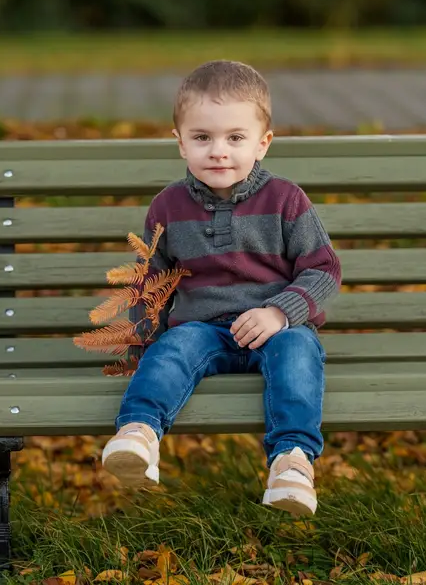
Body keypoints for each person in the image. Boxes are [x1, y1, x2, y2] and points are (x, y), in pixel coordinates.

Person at [100, 59, 342, 516]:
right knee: (171, 350)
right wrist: (144, 345)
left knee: (298, 354)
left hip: (277, 329)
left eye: (235, 138)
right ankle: (139, 434)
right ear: (180, 143)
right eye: (202, 138)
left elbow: (323, 269)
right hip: (204, 330)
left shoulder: (286, 200)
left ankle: (292, 462)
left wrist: (280, 312)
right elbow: (152, 283)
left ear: (262, 143)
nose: (218, 152)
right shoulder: (167, 207)